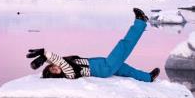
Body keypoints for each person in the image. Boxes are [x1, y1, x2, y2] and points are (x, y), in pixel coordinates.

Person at [26, 8, 160, 82]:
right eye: (54, 72)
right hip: (105, 68)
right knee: (124, 45)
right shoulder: (69, 74)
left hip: (103, 63)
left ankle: (148, 78)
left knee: (127, 71)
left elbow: (58, 61)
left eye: (52, 67)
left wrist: (44, 58)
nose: (55, 68)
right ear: (57, 76)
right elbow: (61, 62)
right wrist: (44, 53)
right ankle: (140, 22)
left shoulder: (65, 64)